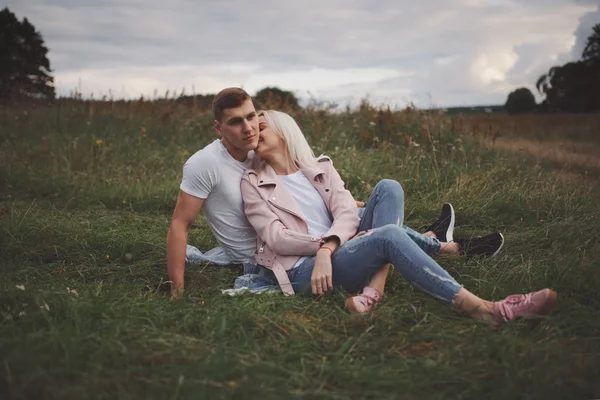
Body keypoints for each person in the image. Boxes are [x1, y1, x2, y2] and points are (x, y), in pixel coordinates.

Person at [166, 87, 502, 298]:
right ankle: (440, 244)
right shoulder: (214, 166)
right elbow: (180, 225)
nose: (250, 128)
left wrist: (349, 205)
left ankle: (415, 254)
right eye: (237, 122)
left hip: (317, 236)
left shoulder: (257, 152)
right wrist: (178, 292)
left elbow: (302, 191)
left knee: (384, 192)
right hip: (268, 257)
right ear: (219, 128)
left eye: (253, 118)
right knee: (367, 227)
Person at [240, 109, 557, 324]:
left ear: (285, 132)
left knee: (388, 188)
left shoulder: (321, 168)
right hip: (304, 269)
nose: (254, 131)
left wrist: (334, 244)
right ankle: (486, 309)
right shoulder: (252, 183)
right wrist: (326, 247)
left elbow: (346, 211)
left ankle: (372, 292)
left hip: (337, 249)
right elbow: (277, 238)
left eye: (262, 126)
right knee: (389, 234)